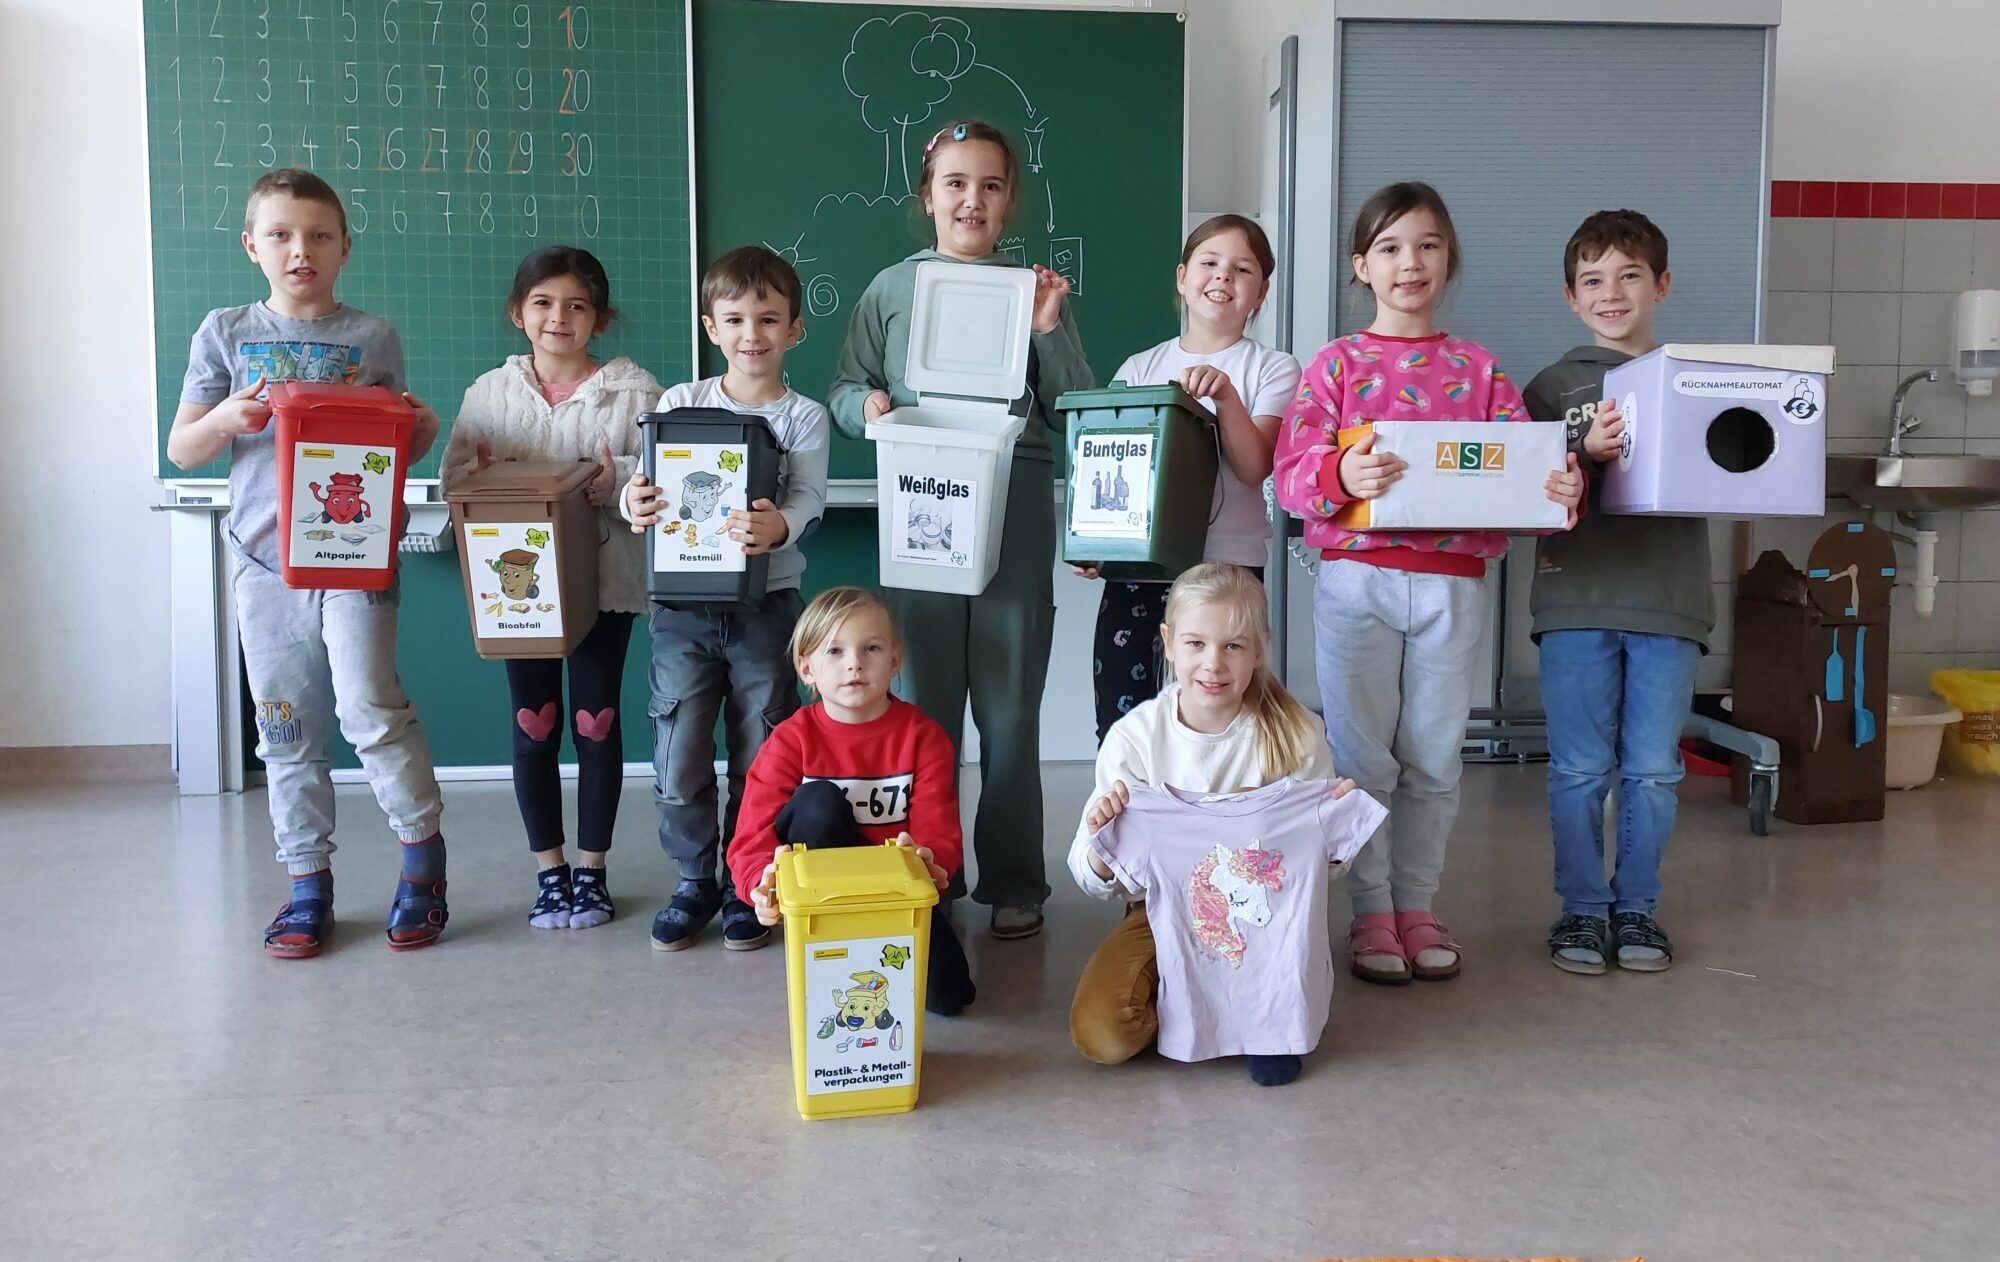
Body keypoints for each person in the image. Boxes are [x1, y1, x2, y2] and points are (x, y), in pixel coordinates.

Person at [1272, 181, 1585, 985]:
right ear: (1361, 266)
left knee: (1437, 759)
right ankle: (1371, 911)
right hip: (1356, 583)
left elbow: (1528, 481)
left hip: (1452, 587)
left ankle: (1418, 903)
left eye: (1427, 245)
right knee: (1362, 758)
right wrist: (1341, 467)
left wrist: (1561, 491)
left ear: (1448, 260)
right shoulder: (1334, 365)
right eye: (1389, 247)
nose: (1409, 262)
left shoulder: (1480, 371)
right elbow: (1291, 479)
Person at [167, 168, 449, 957]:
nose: (302, 250)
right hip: (263, 563)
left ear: (345, 249)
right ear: (253, 245)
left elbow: (399, 449)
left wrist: (420, 430)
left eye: (320, 235)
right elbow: (182, 449)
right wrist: (226, 416)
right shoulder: (224, 331)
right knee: (285, 726)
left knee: (369, 710)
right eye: (283, 235)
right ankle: (306, 884)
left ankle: (422, 866)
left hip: (355, 557)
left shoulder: (371, 339)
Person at [829, 119, 1094, 940]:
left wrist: (1049, 331)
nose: (970, 199)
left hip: (1013, 495)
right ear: (928, 195)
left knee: (1010, 706)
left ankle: (1016, 880)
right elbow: (845, 387)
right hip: (921, 493)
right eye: (954, 183)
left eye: (989, 184)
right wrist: (864, 406)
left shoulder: (1035, 290)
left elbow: (1076, 407)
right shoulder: (890, 289)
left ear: (1009, 199)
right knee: (924, 699)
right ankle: (926, 870)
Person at [1068, 564, 1371, 1085]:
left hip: (1268, 920)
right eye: (1196, 644)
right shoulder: (1134, 740)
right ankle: (1199, 1001)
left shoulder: (1297, 733)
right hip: (1161, 910)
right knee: (1103, 1035)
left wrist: (1334, 834)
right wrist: (1100, 843)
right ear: (1167, 644)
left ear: (1259, 649)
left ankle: (1253, 1015)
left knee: (1275, 1009)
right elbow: (1097, 880)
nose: (1213, 663)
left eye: (1233, 646)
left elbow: (1319, 871)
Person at [440, 245, 662, 930]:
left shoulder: (636, 392)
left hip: (605, 579)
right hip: (517, 592)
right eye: (542, 303)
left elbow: (663, 480)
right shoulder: (489, 394)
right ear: (518, 313)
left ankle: (592, 869)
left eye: (576, 305)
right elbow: (454, 483)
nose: (558, 318)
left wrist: (615, 479)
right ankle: (550, 870)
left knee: (596, 723)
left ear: (599, 317)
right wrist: (476, 473)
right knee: (534, 725)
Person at [622, 246, 831, 952]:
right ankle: (693, 881)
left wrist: (782, 524)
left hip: (767, 607)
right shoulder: (680, 404)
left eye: (769, 319)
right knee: (679, 753)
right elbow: (645, 487)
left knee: (764, 750)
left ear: (794, 329)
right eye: (736, 318)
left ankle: (750, 882)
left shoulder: (803, 417)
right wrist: (634, 501)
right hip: (681, 610)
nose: (753, 334)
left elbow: (807, 497)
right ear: (711, 326)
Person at [1525, 209, 1706, 975]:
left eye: (1630, 275)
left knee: (1656, 769)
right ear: (1570, 297)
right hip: (1575, 601)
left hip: (1671, 600)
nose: (1612, 292)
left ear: (1662, 284)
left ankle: (1636, 907)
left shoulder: (1694, 382)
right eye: (1593, 280)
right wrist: (1579, 448)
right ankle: (1580, 910)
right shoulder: (1548, 386)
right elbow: (1523, 485)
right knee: (1576, 768)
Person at [1072, 215, 1300, 740]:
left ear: (1260, 293)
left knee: (1223, 720)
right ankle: (1129, 818)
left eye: (1242, 269)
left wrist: (1224, 397)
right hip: (1140, 570)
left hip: (1229, 570)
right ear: (1182, 277)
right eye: (1210, 263)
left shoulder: (1273, 368)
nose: (1223, 277)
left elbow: (1253, 466)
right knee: (1125, 722)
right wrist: (1093, 542)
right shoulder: (1138, 368)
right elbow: (1110, 462)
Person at [729, 587, 976, 1015]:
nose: (854, 663)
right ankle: (828, 944)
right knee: (817, 800)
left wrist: (929, 861)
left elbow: (938, 826)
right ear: (807, 669)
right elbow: (752, 830)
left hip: (894, 892)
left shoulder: (924, 737)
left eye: (872, 648)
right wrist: (760, 887)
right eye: (835, 651)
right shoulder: (790, 739)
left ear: (896, 661)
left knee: (949, 997)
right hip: (825, 894)